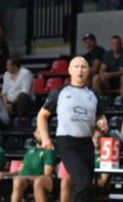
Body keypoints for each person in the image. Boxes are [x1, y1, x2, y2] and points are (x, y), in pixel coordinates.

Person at [37, 57, 109, 202]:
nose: (80, 70)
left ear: (88, 71)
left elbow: (100, 115)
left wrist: (102, 122)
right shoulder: (60, 92)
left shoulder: (93, 94)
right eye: (76, 67)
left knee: (87, 186)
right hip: (67, 142)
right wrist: (45, 139)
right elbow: (42, 116)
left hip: (87, 143)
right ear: (69, 71)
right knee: (82, 182)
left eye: (83, 67)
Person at [0, 129, 55, 202]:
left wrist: (25, 177)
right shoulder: (30, 150)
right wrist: (5, 174)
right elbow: (18, 171)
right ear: (35, 134)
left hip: (32, 183)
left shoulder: (49, 151)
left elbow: (47, 177)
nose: (41, 134)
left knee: (18, 181)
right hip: (17, 181)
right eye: (39, 132)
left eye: (44, 132)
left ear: (48, 134)